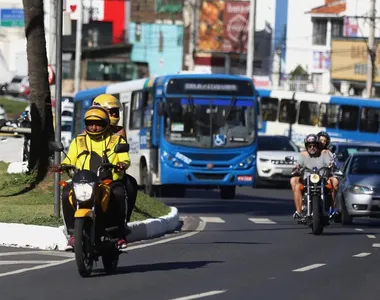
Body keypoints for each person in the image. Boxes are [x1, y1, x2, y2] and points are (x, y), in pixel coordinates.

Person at [60, 106, 130, 251]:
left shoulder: (116, 140)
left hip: (107, 181)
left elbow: (124, 158)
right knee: (66, 192)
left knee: (119, 193)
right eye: (90, 123)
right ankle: (73, 234)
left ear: (106, 124)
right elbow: (69, 159)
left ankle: (119, 234)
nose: (94, 127)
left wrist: (121, 164)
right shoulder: (78, 141)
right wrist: (62, 166)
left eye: (98, 124)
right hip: (82, 181)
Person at [91, 94, 138, 223]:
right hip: (91, 173)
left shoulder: (119, 131)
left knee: (130, 185)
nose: (114, 115)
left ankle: (124, 220)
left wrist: (120, 165)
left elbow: (122, 152)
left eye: (116, 112)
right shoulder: (88, 131)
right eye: (111, 112)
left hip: (111, 173)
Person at [291, 134, 334, 219]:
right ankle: (299, 211)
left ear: (318, 146)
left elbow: (329, 163)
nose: (312, 148)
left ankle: (331, 209)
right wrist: (296, 168)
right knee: (296, 185)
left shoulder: (324, 153)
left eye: (314, 145)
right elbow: (298, 165)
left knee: (334, 183)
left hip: (322, 180)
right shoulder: (303, 155)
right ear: (306, 147)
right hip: (307, 180)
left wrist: (331, 165)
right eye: (309, 146)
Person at [317, 131, 339, 216]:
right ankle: (301, 208)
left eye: (324, 141)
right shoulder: (311, 150)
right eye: (320, 140)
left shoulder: (328, 152)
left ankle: (332, 207)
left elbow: (333, 164)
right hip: (312, 177)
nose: (322, 142)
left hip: (324, 178)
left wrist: (332, 165)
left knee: (335, 181)